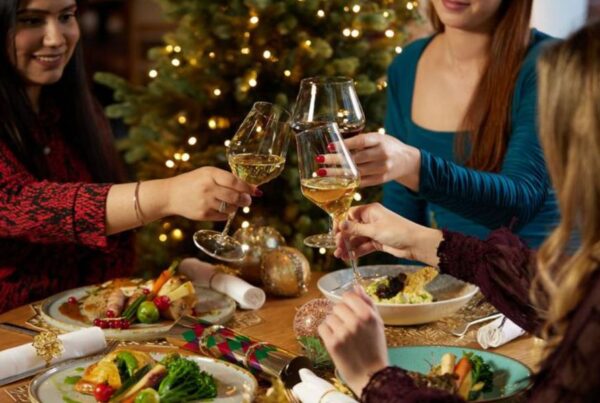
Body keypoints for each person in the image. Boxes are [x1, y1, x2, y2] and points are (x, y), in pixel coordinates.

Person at [321, 21, 600, 402]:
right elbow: (559, 298)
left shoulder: (545, 62)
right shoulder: (409, 66)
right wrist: (420, 241)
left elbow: (520, 203)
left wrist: (374, 377)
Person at [0, 0, 259, 313]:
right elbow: (18, 203)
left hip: (95, 327)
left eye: (66, 16)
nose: (56, 38)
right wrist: (168, 194)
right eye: (30, 20)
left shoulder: (76, 110)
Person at [334, 0, 560, 248]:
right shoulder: (407, 64)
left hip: (540, 275)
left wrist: (413, 165)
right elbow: (402, 213)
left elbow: (518, 206)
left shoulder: (550, 63)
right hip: (454, 275)